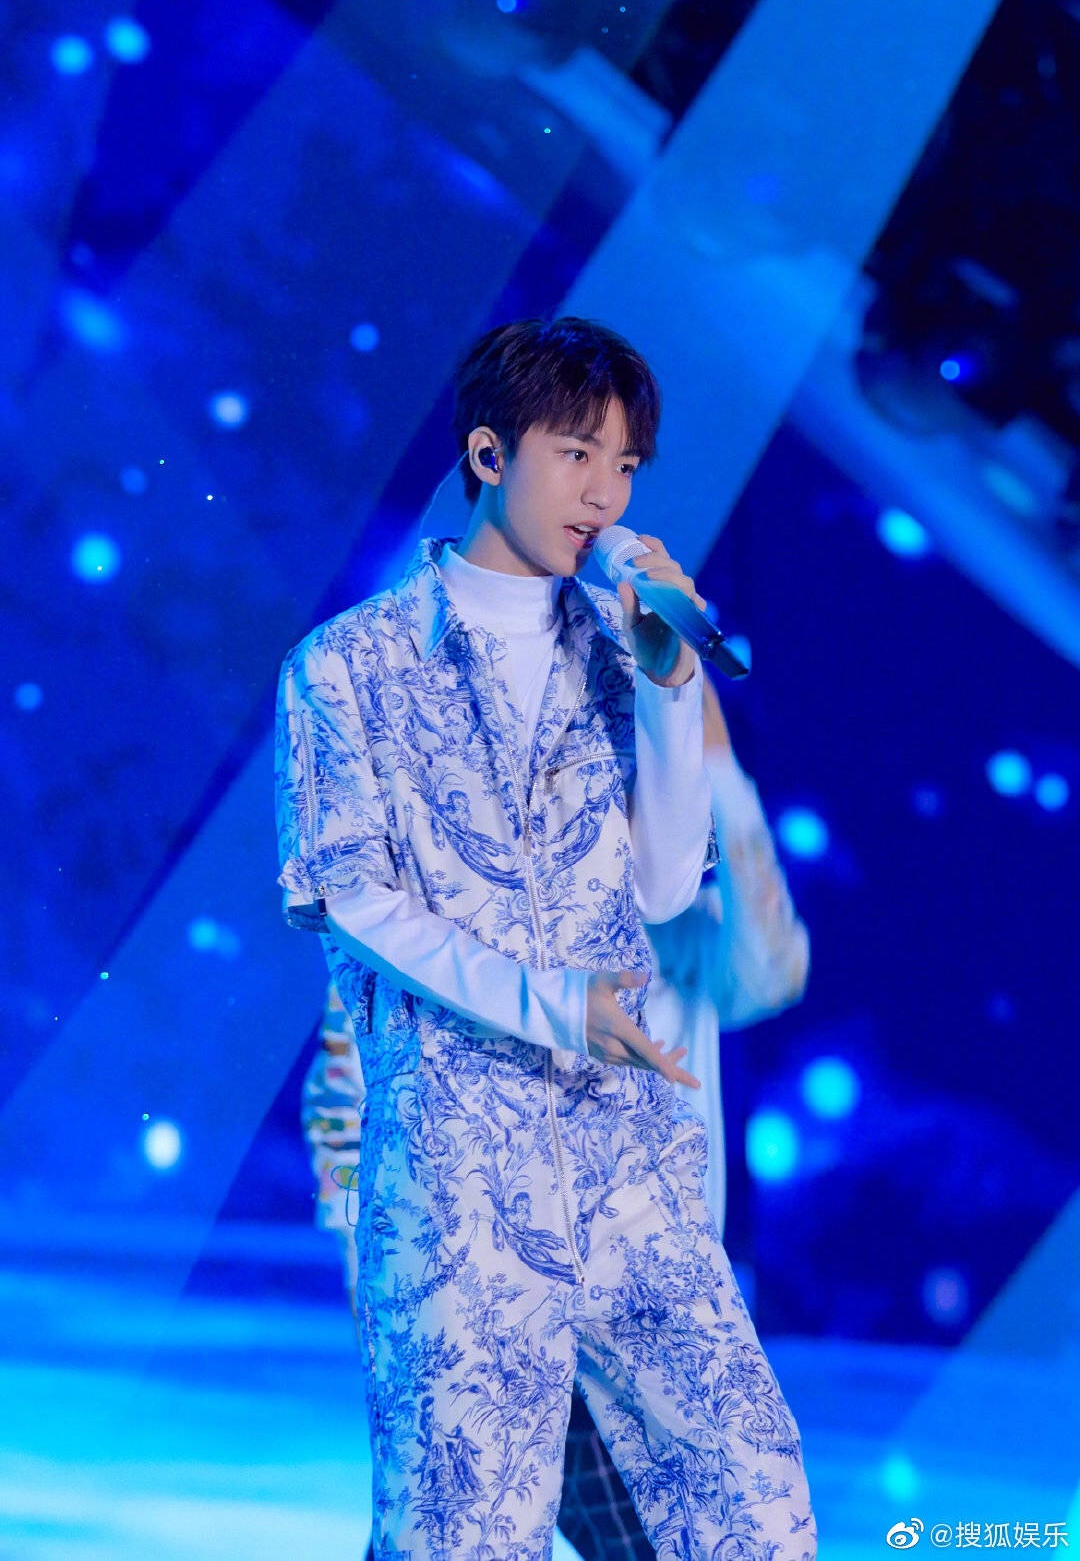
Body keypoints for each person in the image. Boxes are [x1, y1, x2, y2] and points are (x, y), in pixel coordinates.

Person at [276, 316, 816, 1559]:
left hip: (633, 1175)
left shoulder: (621, 651)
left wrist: (670, 685)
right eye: (577, 455)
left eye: (625, 466)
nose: (605, 494)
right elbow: (359, 902)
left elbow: (667, 884)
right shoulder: (347, 669)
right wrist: (555, 1001)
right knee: (464, 1531)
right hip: (462, 1184)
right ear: (487, 453)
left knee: (753, 1494)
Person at [303, 673, 810, 1559]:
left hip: (646, 1306)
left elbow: (771, 970)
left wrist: (719, 764)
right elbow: (345, 1109)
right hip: (481, 1310)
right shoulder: (426, 921)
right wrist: (383, 1285)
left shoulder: (676, 921)